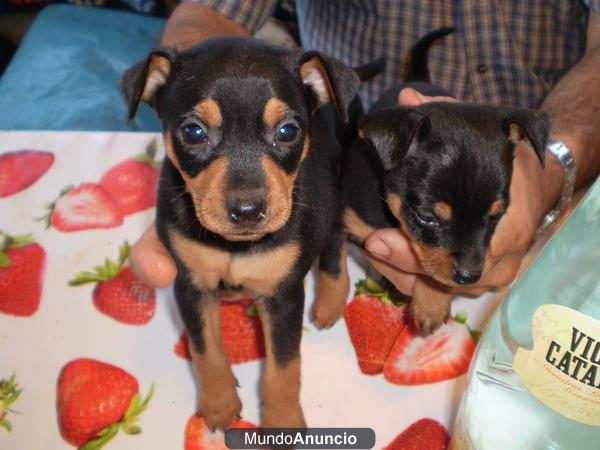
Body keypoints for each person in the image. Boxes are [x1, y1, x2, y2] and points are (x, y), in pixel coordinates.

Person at [130, 0, 600, 298]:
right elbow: (208, 10)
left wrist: (554, 166)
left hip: (542, 147)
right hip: (353, 135)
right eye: (193, 134)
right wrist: (191, 95)